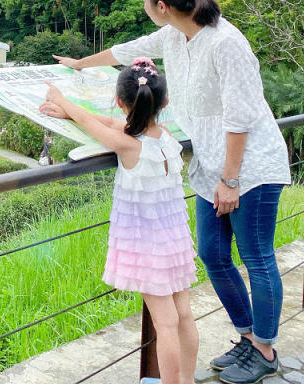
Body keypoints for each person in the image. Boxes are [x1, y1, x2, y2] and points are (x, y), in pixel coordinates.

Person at [53, 0, 291, 384]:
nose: (143, 7)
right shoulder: (173, 34)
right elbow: (126, 52)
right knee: (213, 255)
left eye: (144, 1)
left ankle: (265, 349)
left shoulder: (226, 44)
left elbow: (241, 119)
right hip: (208, 165)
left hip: (249, 167)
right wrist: (79, 64)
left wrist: (231, 180)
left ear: (161, 5)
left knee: (256, 257)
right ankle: (246, 336)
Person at [41, 59, 197, 384]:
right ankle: (187, 380)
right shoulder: (166, 136)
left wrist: (61, 99)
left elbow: (99, 125)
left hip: (149, 246)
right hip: (175, 239)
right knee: (182, 316)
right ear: (164, 103)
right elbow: (113, 124)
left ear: (121, 102)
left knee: (165, 323)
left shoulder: (129, 145)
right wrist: (68, 112)